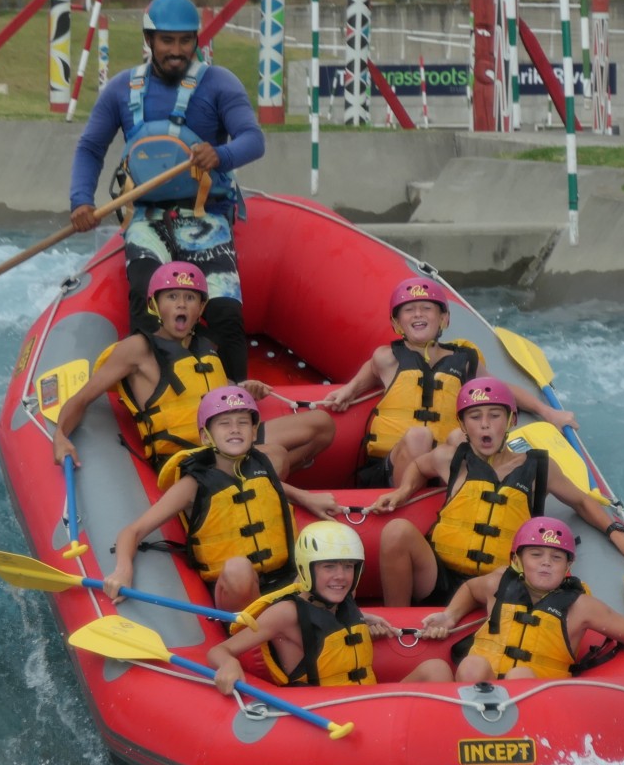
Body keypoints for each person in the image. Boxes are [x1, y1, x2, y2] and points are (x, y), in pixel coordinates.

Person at [69, 0, 265, 384]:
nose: (177, 51)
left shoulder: (219, 84)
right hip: (146, 219)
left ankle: (234, 410)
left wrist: (220, 155)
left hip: (205, 217)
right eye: (167, 41)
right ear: (150, 40)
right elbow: (91, 148)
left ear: (196, 41)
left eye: (185, 41)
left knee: (225, 314)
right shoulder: (122, 90)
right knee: (148, 307)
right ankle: (159, 400)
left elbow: (253, 139)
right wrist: (81, 201)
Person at [371, 378, 624, 607]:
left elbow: (580, 500)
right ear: (462, 424)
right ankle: (399, 625)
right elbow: (420, 466)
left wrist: (617, 534)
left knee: (500, 578)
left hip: (500, 582)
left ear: (512, 420)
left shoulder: (539, 467)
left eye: (495, 416)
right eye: (475, 416)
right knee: (397, 531)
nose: (485, 424)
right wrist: (403, 491)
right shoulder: (450, 458)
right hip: (439, 574)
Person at [51, 262, 331, 471]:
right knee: (273, 455)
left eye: (189, 298)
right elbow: (83, 397)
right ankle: (261, 478)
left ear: (201, 307)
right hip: (188, 454)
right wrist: (60, 436)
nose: (181, 305)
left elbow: (211, 397)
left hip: (229, 437)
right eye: (171, 297)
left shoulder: (206, 346)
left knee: (322, 426)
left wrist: (241, 390)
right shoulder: (137, 349)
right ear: (155, 305)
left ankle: (260, 479)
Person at [319, 277, 577, 488]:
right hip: (391, 469)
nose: (418, 314)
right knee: (419, 436)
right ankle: (410, 502)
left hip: (444, 466)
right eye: (409, 309)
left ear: (444, 319)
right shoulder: (387, 358)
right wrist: (349, 390)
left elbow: (501, 391)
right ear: (397, 323)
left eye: (427, 308)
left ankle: (465, 497)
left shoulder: (463, 360)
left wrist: (548, 412)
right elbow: (369, 370)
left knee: (458, 437)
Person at [104, 387, 341, 613]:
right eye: (224, 424)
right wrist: (123, 570)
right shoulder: (192, 485)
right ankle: (256, 636)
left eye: (243, 423)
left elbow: (270, 488)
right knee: (239, 568)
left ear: (254, 431)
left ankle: (340, 617)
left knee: (324, 553)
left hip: (282, 582)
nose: (234, 429)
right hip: (236, 594)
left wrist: (306, 498)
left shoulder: (262, 465)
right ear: (206, 437)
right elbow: (133, 532)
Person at [405, 517, 624, 684]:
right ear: (517, 560)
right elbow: (470, 589)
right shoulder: (498, 583)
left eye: (556, 558)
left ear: (567, 567)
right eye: (536, 555)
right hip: (476, 691)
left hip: (535, 703)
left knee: (518, 676)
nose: (546, 564)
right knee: (465, 665)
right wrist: (450, 616)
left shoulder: (580, 606)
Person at [206, 521, 394, 694]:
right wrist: (228, 663)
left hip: (367, 700)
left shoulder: (345, 599)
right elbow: (219, 650)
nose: (341, 576)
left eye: (348, 567)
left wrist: (363, 617)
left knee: (426, 670)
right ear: (307, 569)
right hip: (325, 709)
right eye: (329, 567)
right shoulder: (286, 613)